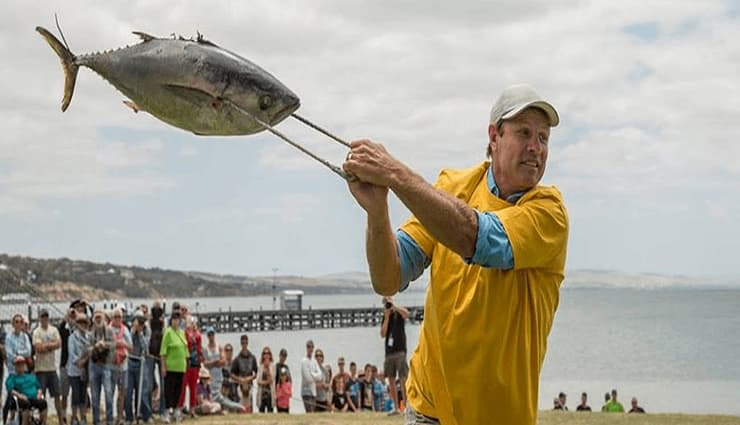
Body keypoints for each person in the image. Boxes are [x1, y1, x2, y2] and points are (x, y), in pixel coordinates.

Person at [343, 83, 567, 425]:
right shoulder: (452, 187)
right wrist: (378, 213)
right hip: (427, 410)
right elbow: (389, 276)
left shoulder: (549, 214)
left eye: (543, 138)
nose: (536, 148)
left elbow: (477, 238)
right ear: (494, 136)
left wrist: (395, 174)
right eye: (524, 133)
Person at [32, 309, 63, 425]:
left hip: (52, 369)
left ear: (48, 317)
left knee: (57, 395)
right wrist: (51, 345)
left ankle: (61, 421)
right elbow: (38, 348)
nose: (44, 319)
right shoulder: (36, 332)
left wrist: (47, 346)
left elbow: (59, 343)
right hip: (40, 370)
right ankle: (43, 422)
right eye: (42, 317)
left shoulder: (53, 329)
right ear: (39, 318)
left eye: (46, 316)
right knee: (41, 398)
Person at [201, 329, 244, 413]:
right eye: (209, 335)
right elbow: (206, 364)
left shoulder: (219, 347)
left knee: (221, 398)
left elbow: (223, 361)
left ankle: (238, 407)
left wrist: (213, 363)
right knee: (216, 399)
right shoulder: (206, 349)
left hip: (219, 378)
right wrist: (215, 362)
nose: (211, 336)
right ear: (207, 336)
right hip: (210, 378)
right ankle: (237, 407)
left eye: (212, 334)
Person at [380, 297, 408, 415]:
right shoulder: (386, 317)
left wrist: (394, 307)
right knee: (391, 379)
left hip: (400, 351)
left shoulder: (398, 313)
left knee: (403, 379)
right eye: (385, 303)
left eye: (388, 302)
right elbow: (382, 334)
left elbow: (407, 314)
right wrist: (386, 317)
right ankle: (395, 407)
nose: (387, 305)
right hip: (389, 352)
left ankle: (406, 406)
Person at [124, 312, 152, 425]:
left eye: (141, 322)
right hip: (130, 362)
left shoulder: (146, 330)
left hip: (141, 362)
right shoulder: (129, 331)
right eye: (137, 321)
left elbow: (145, 347)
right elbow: (128, 344)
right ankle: (129, 417)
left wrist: (140, 333)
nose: (139, 324)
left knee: (143, 391)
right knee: (128, 391)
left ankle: (146, 415)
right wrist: (133, 332)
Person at [160, 310, 187, 423]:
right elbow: (163, 351)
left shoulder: (182, 332)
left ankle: (176, 410)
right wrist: (163, 366)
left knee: (178, 390)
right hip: (171, 366)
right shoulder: (168, 332)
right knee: (169, 390)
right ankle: (166, 412)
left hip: (181, 366)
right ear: (171, 320)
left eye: (178, 319)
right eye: (174, 319)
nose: (176, 321)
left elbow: (185, 349)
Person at [88, 310, 115, 425]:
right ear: (93, 319)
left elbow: (114, 345)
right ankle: (96, 421)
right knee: (95, 396)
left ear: (104, 318)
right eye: (96, 317)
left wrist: (105, 344)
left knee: (108, 394)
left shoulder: (109, 330)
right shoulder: (90, 332)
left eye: (100, 317)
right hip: (94, 366)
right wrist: (95, 346)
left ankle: (109, 420)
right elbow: (87, 349)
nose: (98, 319)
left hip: (106, 366)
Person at [6, 356, 48, 425]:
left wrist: (39, 394)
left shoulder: (31, 376)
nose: (20, 366)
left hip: (34, 397)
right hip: (22, 398)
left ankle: (43, 423)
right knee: (25, 404)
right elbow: (10, 389)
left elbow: (39, 387)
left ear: (25, 366)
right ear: (15, 366)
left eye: (22, 364)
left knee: (43, 402)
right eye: (18, 364)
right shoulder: (12, 377)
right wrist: (19, 395)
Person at [109, 308, 132, 425]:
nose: (118, 319)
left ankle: (119, 417)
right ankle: (110, 417)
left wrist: (123, 344)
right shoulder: (107, 330)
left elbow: (131, 347)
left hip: (123, 366)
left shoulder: (125, 330)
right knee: (110, 392)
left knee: (122, 392)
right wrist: (114, 344)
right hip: (111, 366)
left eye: (119, 317)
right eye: (115, 317)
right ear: (112, 318)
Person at [67, 314, 90, 425]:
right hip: (74, 371)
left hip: (85, 371)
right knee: (75, 395)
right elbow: (72, 355)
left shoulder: (89, 337)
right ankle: (74, 418)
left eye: (84, 323)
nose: (82, 325)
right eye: (80, 322)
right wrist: (80, 361)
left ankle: (83, 417)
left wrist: (85, 360)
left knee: (83, 395)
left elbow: (90, 353)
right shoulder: (72, 337)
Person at [178, 317, 202, 418]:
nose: (192, 324)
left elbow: (199, 347)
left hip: (195, 363)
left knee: (193, 387)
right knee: (183, 387)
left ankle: (192, 409)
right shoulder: (185, 333)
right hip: (186, 363)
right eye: (190, 322)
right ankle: (179, 408)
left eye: (193, 322)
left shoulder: (198, 334)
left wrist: (200, 362)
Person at [230, 334, 257, 413]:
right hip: (240, 387)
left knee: (249, 408)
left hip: (249, 386)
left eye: (245, 343)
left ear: (247, 343)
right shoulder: (237, 359)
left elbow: (256, 373)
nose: (244, 345)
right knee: (241, 409)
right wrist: (240, 379)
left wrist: (250, 378)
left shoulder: (252, 357)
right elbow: (232, 374)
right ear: (241, 344)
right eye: (242, 343)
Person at [58, 308, 76, 425]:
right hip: (64, 365)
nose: (71, 319)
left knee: (75, 394)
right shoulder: (63, 331)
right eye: (70, 317)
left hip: (75, 367)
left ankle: (74, 417)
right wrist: (66, 317)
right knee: (64, 393)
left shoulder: (78, 331)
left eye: (73, 317)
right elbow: (59, 328)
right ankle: (64, 416)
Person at [300, 340, 323, 413]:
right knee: (309, 412)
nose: (310, 349)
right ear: (306, 348)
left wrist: (312, 373)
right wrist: (315, 376)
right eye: (309, 347)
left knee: (313, 413)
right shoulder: (304, 361)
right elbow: (308, 378)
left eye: (312, 347)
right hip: (306, 392)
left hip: (313, 392)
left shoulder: (314, 361)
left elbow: (320, 375)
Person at [256, 346, 275, 413]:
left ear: (270, 355)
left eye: (268, 353)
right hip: (262, 394)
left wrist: (267, 369)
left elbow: (271, 379)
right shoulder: (260, 367)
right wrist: (266, 382)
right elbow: (258, 381)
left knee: (270, 412)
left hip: (270, 394)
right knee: (261, 412)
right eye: (264, 353)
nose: (266, 355)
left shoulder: (272, 366)